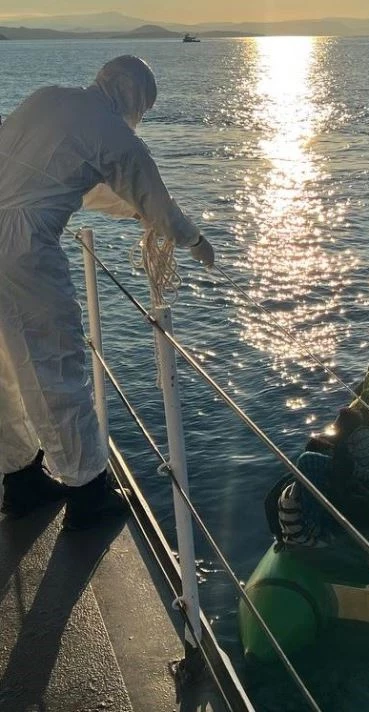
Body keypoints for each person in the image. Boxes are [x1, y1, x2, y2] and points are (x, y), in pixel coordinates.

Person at [0, 56, 214, 529]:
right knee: (56, 362)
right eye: (144, 106)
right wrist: (195, 240)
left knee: (4, 369)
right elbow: (155, 201)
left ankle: (20, 480)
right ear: (134, 95)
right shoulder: (115, 133)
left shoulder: (48, 99)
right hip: (23, 249)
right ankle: (88, 492)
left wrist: (136, 211)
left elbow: (77, 182)